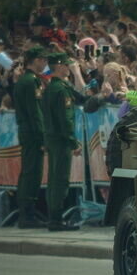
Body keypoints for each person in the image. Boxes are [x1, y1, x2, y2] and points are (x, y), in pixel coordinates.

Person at [42, 53, 80, 232]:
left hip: (52, 139)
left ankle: (53, 217)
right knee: (60, 180)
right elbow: (65, 120)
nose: (68, 68)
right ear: (59, 66)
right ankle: (56, 219)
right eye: (66, 65)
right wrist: (73, 141)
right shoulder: (61, 89)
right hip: (61, 140)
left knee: (53, 179)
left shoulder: (51, 88)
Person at [13, 45, 48, 228]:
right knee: (32, 173)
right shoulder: (31, 81)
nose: (44, 63)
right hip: (32, 133)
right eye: (42, 59)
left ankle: (27, 212)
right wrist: (42, 138)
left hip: (26, 131)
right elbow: (35, 113)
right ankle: (27, 215)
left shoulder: (23, 80)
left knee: (28, 171)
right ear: (35, 60)